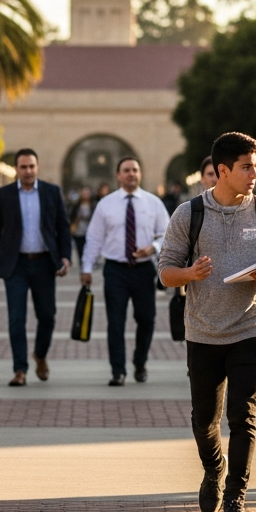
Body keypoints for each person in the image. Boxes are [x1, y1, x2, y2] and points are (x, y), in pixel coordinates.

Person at [159, 132, 256, 512]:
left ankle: (236, 498)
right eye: (246, 166)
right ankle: (214, 468)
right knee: (204, 419)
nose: (254, 173)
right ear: (222, 170)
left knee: (243, 416)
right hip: (202, 330)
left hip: (251, 327)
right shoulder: (189, 213)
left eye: (255, 166)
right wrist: (190, 272)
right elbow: (165, 272)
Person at [0, 149, 73, 386]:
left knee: (47, 317)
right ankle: (20, 370)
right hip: (16, 265)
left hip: (44, 263)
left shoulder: (52, 192)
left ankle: (40, 355)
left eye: (32, 166)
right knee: (16, 319)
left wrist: (65, 256)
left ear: (37, 167)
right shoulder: (4, 195)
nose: (28, 171)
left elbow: (63, 227)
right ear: (16, 169)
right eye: (23, 167)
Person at [80, 157, 171, 386]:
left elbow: (168, 234)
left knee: (147, 320)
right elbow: (94, 237)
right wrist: (86, 267)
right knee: (116, 322)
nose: (131, 174)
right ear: (118, 175)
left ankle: (140, 363)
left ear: (139, 174)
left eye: (135, 170)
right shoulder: (105, 204)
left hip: (143, 271)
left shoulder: (153, 203)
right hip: (115, 270)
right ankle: (117, 370)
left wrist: (154, 247)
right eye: (126, 170)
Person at [70, 185, 95, 268]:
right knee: (80, 247)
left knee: (88, 248)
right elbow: (71, 217)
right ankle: (82, 263)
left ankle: (88, 262)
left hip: (89, 230)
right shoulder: (76, 205)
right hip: (78, 230)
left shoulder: (93, 205)